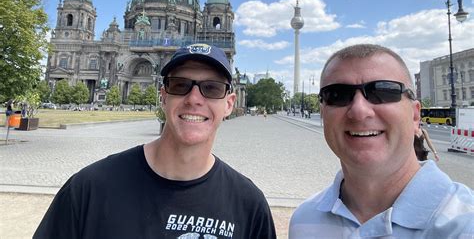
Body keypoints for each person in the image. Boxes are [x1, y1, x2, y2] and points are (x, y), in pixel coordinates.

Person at [35, 43, 276, 239]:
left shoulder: (250, 206)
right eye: (180, 85)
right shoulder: (87, 189)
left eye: (211, 88)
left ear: (229, 104)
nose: (194, 99)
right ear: (163, 97)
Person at [289, 44, 474, 238]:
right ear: (323, 115)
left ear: (415, 116)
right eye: (337, 95)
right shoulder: (304, 221)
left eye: (383, 91)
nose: (359, 111)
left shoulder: (465, 224)